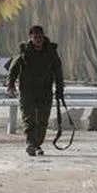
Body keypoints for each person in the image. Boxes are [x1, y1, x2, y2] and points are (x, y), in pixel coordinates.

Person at [6, 25, 66, 157]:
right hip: (27, 90)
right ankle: (30, 144)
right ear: (30, 38)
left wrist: (60, 89)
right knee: (29, 119)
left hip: (45, 91)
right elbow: (14, 69)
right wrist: (10, 84)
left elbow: (58, 71)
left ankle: (37, 143)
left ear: (44, 37)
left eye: (40, 37)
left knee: (43, 120)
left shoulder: (51, 51)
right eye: (35, 37)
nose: (38, 40)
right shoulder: (25, 51)